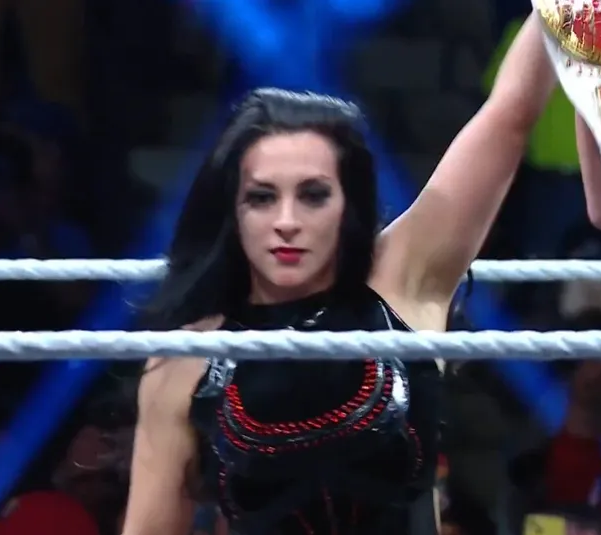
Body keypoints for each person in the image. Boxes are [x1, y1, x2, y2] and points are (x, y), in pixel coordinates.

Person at [122, 13, 556, 535]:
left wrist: (566, 9)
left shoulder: (401, 279)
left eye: (313, 195)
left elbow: (510, 116)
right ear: (232, 210)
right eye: (262, 197)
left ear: (348, 207)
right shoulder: (183, 360)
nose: (286, 222)